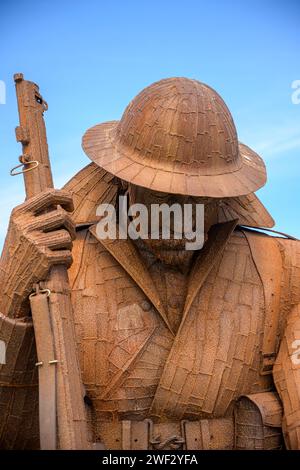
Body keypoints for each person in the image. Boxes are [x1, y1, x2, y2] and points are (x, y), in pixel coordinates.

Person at [0, 77, 299, 450]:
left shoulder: (286, 267)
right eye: (160, 196)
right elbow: (14, 431)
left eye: (199, 199)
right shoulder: (59, 261)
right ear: (124, 182)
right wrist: (10, 296)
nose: (179, 219)